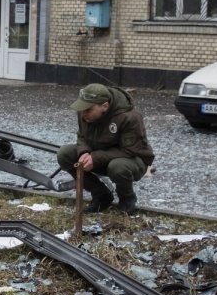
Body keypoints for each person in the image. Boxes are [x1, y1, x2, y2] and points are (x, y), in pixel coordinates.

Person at [56, 83, 154, 215]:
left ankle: (127, 199)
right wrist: (84, 152)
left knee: (118, 167)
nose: (84, 113)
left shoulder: (129, 117)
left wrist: (95, 158)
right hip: (99, 157)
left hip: (132, 160)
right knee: (64, 154)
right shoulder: (84, 113)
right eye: (82, 108)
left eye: (89, 109)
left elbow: (130, 150)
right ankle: (101, 195)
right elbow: (82, 136)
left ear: (105, 106)